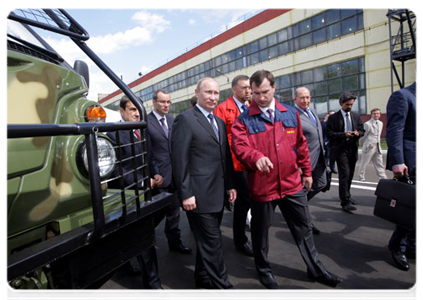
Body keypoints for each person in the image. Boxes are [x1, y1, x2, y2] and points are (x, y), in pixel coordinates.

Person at [231, 70, 342, 292]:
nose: (260, 97)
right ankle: (264, 270)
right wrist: (257, 157)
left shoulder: (290, 113)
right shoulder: (243, 120)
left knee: (304, 228)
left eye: (264, 92)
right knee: (261, 232)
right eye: (255, 93)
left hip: (292, 183)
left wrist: (307, 172)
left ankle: (316, 269)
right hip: (263, 185)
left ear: (274, 88)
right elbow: (240, 146)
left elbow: (300, 145)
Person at [171, 77, 242, 300]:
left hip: (218, 193)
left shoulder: (219, 122)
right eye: (208, 92)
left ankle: (202, 276)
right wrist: (186, 193)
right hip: (197, 196)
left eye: (216, 93)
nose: (212, 97)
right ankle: (227, 292)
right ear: (197, 93)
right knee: (213, 243)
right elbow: (179, 160)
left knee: (206, 242)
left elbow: (224, 158)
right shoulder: (185, 120)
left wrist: (230, 184)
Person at [107, 96, 170, 300]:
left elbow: (150, 158)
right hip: (127, 194)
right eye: (132, 109)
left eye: (139, 110)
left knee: (139, 231)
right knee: (144, 237)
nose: (136, 113)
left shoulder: (142, 130)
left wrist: (157, 173)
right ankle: (154, 286)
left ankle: (125, 260)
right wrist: (142, 182)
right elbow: (113, 170)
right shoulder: (113, 134)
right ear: (122, 111)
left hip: (149, 191)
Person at [147, 89, 192, 254]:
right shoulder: (146, 122)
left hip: (174, 175)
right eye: (162, 102)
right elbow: (148, 153)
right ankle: (145, 245)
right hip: (158, 177)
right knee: (156, 214)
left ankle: (175, 243)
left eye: (168, 102)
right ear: (154, 102)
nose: (166, 105)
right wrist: (154, 173)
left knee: (174, 213)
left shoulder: (173, 121)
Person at [386, 56, 420, 271]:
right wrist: (398, 161)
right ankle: (397, 245)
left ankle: (414, 245)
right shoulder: (404, 96)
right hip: (412, 161)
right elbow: (394, 129)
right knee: (411, 206)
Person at [214, 75, 253, 256]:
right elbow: (218, 141)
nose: (248, 91)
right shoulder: (222, 110)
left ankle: (240, 238)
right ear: (234, 90)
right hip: (233, 163)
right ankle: (239, 240)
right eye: (244, 87)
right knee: (240, 201)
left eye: (249, 88)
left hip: (249, 162)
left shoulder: (251, 108)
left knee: (246, 201)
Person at [294, 87, 326, 235]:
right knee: (302, 190)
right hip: (304, 161)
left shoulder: (312, 111)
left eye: (307, 97)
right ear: (295, 99)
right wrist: (297, 164)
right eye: (302, 98)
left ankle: (298, 205)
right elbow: (292, 141)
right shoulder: (293, 115)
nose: (305, 100)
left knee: (321, 183)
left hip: (319, 157)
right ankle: (305, 222)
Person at [325, 92, 364, 213]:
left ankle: (347, 194)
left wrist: (358, 134)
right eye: (347, 104)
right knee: (345, 174)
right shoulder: (333, 118)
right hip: (340, 149)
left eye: (351, 104)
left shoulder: (356, 116)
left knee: (351, 173)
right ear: (341, 103)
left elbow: (362, 130)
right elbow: (329, 134)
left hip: (352, 148)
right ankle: (345, 201)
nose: (349, 107)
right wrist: (343, 134)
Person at [357, 108, 387, 182]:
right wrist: (362, 145)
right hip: (369, 146)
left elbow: (379, 135)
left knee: (379, 163)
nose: (376, 115)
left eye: (378, 113)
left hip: (377, 146)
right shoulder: (368, 124)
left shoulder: (380, 123)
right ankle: (361, 176)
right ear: (371, 115)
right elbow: (363, 136)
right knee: (364, 162)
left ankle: (382, 176)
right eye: (374, 113)